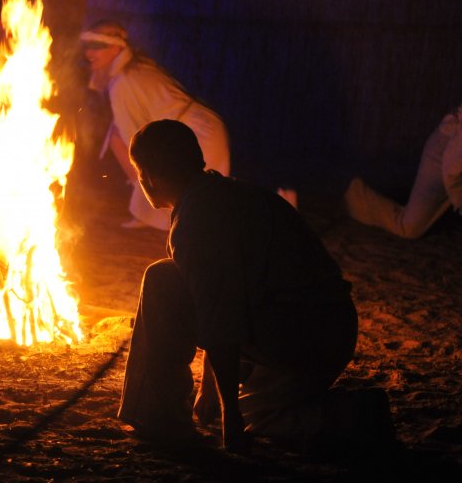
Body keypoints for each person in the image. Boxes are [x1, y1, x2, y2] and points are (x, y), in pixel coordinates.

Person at [117, 119, 391, 453]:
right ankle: (357, 415)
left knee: (162, 281)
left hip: (304, 331)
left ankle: (158, 419)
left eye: (139, 172)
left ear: (150, 177)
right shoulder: (220, 194)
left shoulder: (197, 221)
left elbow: (220, 317)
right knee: (261, 414)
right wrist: (211, 391)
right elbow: (218, 294)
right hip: (325, 326)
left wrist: (230, 420)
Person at [80, 20, 231, 230]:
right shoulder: (130, 70)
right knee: (116, 136)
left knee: (203, 200)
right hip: (187, 129)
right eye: (88, 46)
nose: (90, 52)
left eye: (98, 46)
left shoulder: (123, 82)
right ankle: (151, 213)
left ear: (116, 48)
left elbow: (137, 137)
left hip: (197, 132)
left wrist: (146, 173)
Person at [345, 97, 462, 238]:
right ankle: (357, 194)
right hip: (443, 153)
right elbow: (453, 171)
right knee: (409, 227)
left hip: (459, 157)